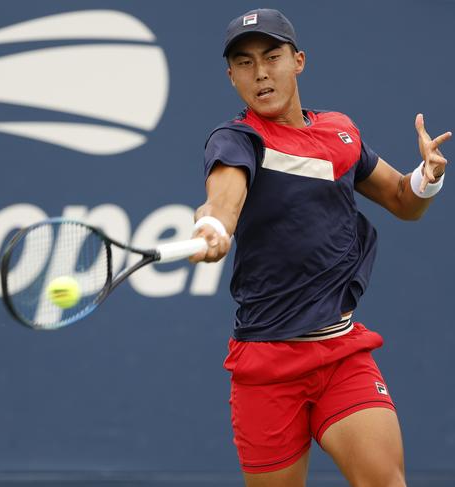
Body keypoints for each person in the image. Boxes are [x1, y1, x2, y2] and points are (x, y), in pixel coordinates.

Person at [189, 8, 450, 487]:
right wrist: (214, 226)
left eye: (272, 56)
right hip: (266, 364)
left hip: (341, 354)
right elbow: (223, 199)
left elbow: (399, 198)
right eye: (244, 63)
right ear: (231, 76)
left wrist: (427, 178)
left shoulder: (339, 131)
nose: (261, 72)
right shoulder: (237, 139)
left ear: (299, 61)